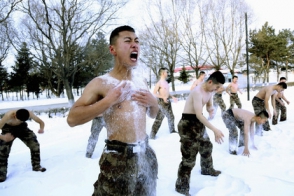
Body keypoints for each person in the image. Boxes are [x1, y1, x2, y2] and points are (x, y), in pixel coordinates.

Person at [67, 25, 159, 196]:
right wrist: (109, 101)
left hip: (145, 153)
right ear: (112, 49)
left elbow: (152, 114)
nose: (135, 45)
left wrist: (154, 103)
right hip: (119, 159)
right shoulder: (101, 83)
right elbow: (72, 119)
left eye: (137, 41)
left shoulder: (141, 82)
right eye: (128, 41)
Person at [175, 71, 225, 195]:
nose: (217, 89)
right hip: (187, 124)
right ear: (209, 82)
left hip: (198, 122)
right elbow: (198, 114)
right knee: (189, 158)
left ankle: (207, 169)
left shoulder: (211, 90)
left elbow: (208, 103)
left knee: (206, 145)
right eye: (217, 86)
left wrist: (210, 109)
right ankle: (181, 187)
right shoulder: (197, 92)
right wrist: (215, 129)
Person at [0, 109, 46, 182]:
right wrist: (3, 137)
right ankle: (1, 174)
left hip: (22, 128)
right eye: (19, 120)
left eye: (22, 120)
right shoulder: (8, 116)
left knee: (34, 145)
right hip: (8, 129)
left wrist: (41, 129)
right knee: (2, 151)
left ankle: (36, 166)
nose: (19, 121)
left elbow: (41, 122)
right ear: (14, 116)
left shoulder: (28, 113)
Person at [150, 67, 178, 139]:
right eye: (166, 72)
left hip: (167, 101)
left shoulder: (165, 82)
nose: (167, 73)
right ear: (163, 73)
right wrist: (163, 97)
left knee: (159, 118)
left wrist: (172, 97)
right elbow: (154, 93)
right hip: (162, 102)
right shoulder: (159, 83)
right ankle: (172, 131)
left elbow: (167, 93)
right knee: (171, 117)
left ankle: (152, 135)